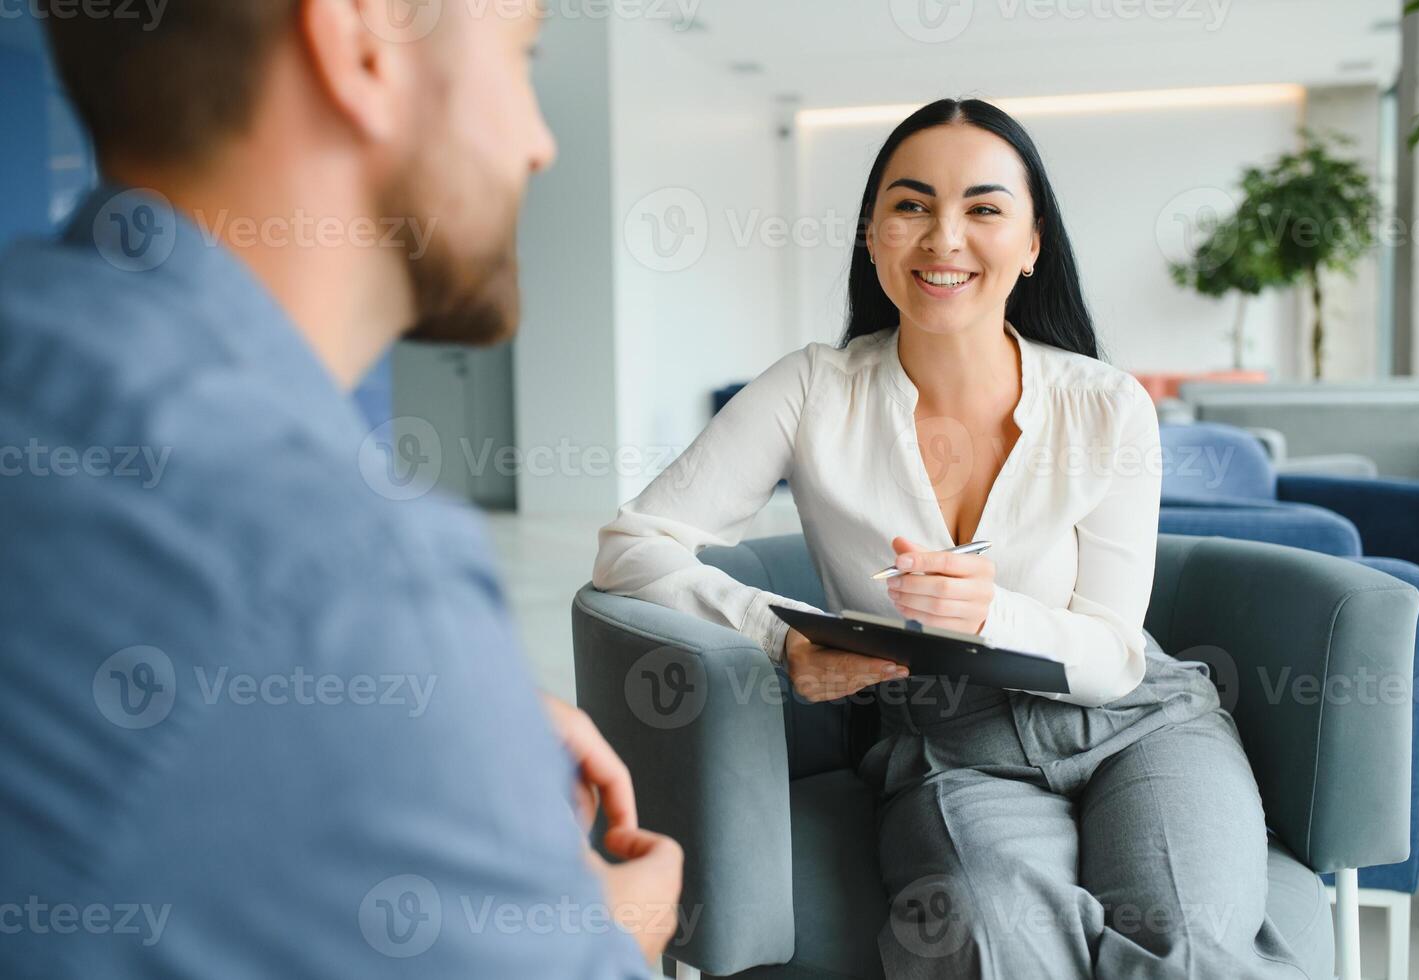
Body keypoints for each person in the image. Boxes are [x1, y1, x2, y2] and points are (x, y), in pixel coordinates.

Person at [0, 1, 679, 976]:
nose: (541, 143)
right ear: (364, 42)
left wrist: (427, 717)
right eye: (520, 56)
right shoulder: (342, 572)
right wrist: (625, 926)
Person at [593, 99, 1306, 978]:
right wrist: (779, 634)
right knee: (993, 943)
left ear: (1032, 241)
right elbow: (633, 546)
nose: (943, 237)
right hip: (948, 745)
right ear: (871, 233)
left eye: (982, 207)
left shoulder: (1105, 401)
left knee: (1189, 949)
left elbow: (1114, 658)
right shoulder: (809, 391)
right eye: (910, 204)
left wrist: (989, 615)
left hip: (1141, 724)